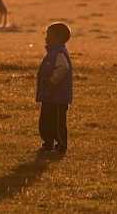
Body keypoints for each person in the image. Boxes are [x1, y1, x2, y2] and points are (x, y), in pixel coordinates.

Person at [36, 22, 73, 155]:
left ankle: (61, 146)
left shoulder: (59, 53)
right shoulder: (53, 52)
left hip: (58, 97)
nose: (46, 38)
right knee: (46, 120)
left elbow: (63, 67)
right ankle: (48, 145)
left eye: (48, 35)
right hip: (49, 95)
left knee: (57, 122)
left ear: (57, 38)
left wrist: (53, 80)